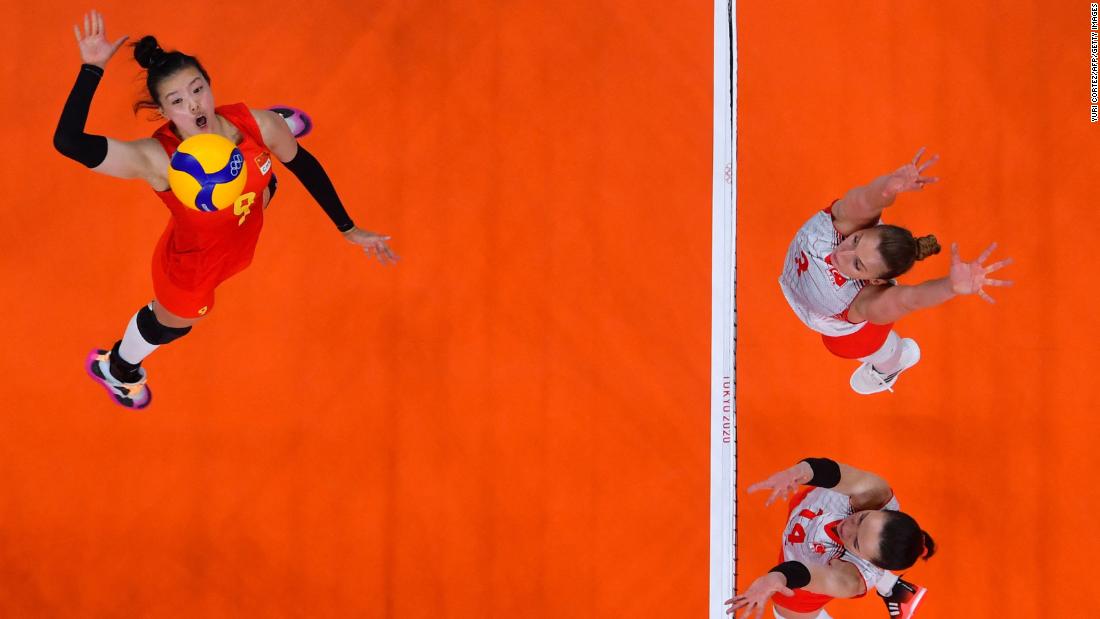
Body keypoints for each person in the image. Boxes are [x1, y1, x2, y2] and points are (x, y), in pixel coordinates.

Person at [54, 11, 396, 409]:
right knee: (174, 325)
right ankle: (118, 367)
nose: (194, 105)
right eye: (177, 102)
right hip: (192, 272)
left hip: (243, 221)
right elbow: (69, 143)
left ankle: (271, 148)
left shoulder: (256, 125)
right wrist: (92, 69)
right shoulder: (158, 160)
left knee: (268, 176)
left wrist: (348, 227)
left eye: (198, 90)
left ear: (210, 86)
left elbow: (301, 162)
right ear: (164, 113)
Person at [778, 148, 1013, 394]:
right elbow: (865, 200)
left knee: (847, 348)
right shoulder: (842, 222)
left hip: (851, 333)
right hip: (807, 298)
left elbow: (909, 299)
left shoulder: (864, 302)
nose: (843, 253)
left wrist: (949, 287)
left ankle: (892, 365)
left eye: (858, 264)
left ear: (875, 281)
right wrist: (887, 188)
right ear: (862, 228)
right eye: (856, 240)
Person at [726, 458, 934, 619]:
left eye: (856, 542)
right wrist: (797, 472)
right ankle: (895, 588)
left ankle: (893, 587)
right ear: (883, 510)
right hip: (808, 509)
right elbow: (832, 472)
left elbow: (804, 573)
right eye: (862, 518)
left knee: (785, 609)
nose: (847, 528)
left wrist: (774, 579)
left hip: (802, 579)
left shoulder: (851, 581)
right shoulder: (876, 493)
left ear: (867, 561)